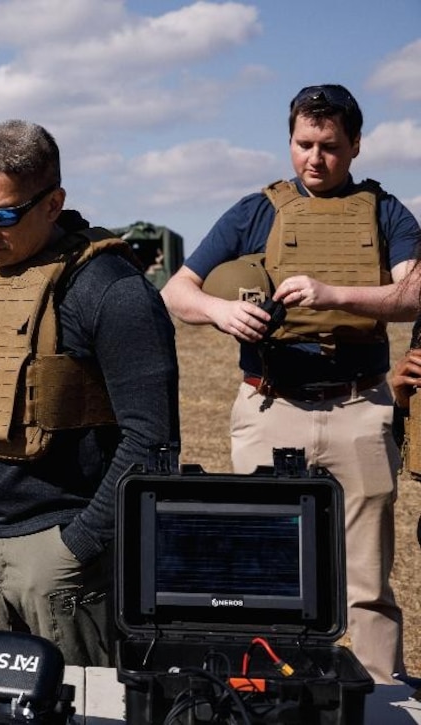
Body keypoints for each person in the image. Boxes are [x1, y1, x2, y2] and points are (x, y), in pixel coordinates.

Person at [161, 84, 421, 684]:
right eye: (304, 144)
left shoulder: (386, 212)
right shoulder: (255, 210)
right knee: (263, 570)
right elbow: (179, 289)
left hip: (359, 406)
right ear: (289, 141)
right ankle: (269, 689)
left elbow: (413, 294)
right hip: (269, 405)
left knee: (367, 579)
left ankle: (377, 695)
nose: (315, 158)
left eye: (329, 146)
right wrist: (221, 313)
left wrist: (337, 295)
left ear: (355, 145)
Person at [0, 119, 180, 666]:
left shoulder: (113, 290)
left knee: (81, 707)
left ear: (53, 202)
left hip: (60, 555)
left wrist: (78, 547)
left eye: (3, 215)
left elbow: (153, 443)